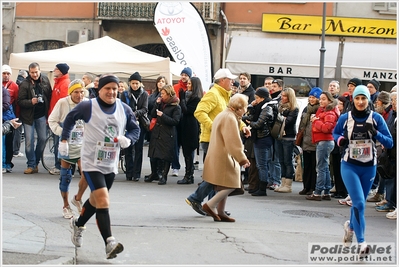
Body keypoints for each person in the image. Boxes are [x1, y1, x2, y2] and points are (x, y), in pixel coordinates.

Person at [61, 74, 140, 259]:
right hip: (90, 162)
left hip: (110, 163)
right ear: (100, 90)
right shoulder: (88, 106)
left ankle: (78, 224)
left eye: (114, 88)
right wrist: (64, 139)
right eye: (107, 88)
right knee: (103, 199)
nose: (111, 92)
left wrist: (128, 139)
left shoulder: (124, 108)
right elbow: (70, 119)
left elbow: (136, 129)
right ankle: (109, 242)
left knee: (96, 201)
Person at [333, 85, 393, 259]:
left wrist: (376, 134)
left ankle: (350, 227)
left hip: (369, 167)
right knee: (359, 203)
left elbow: (389, 143)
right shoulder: (345, 118)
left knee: (359, 205)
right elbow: (335, 133)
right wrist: (341, 140)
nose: (360, 102)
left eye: (363, 98)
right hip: (349, 165)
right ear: (353, 100)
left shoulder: (377, 119)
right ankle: (362, 243)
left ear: (368, 100)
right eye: (357, 98)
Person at [185, 68, 250, 216]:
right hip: (211, 139)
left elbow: (233, 115)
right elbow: (199, 112)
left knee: (217, 174)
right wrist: (214, 128)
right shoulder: (214, 94)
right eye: (230, 79)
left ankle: (210, 204)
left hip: (219, 139)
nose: (233, 82)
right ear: (222, 81)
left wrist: (243, 127)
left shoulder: (226, 95)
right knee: (216, 174)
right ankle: (201, 200)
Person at [202, 93, 250, 222]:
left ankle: (221, 211)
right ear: (239, 108)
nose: (246, 110)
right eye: (245, 107)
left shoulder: (224, 114)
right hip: (224, 155)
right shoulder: (230, 118)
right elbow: (233, 141)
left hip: (219, 153)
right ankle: (211, 204)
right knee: (232, 183)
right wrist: (242, 158)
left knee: (225, 184)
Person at [48, 79, 89, 218]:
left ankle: (77, 198)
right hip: (67, 144)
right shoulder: (63, 103)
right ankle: (66, 206)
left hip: (83, 145)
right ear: (71, 92)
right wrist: (62, 132)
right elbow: (51, 120)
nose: (79, 95)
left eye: (81, 92)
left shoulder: (87, 103)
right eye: (76, 92)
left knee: (87, 174)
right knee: (65, 177)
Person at [17, 62, 52, 174]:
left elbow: (50, 96)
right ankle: (31, 164)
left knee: (42, 139)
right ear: (29, 72)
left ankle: (36, 162)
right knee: (29, 142)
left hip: (41, 115)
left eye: (36, 72)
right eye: (32, 72)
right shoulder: (25, 84)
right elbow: (19, 101)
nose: (34, 74)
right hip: (28, 117)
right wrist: (31, 102)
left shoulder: (45, 80)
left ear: (40, 71)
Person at [306, 91, 339, 201]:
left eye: (323, 99)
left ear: (329, 100)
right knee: (324, 167)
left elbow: (326, 128)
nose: (320, 101)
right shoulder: (326, 111)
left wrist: (316, 121)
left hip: (325, 141)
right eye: (320, 99)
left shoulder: (330, 112)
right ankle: (326, 191)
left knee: (321, 167)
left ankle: (318, 192)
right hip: (325, 141)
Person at [146, 84, 181, 185]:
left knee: (165, 156)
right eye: (161, 93)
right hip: (157, 131)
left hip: (167, 133)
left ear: (169, 94)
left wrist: (163, 116)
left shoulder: (175, 106)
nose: (161, 96)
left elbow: (175, 121)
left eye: (163, 94)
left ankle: (164, 176)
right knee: (153, 154)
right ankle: (154, 173)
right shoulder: (161, 103)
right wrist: (156, 104)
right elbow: (152, 115)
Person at [245, 87, 274, 196]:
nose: (255, 100)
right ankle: (259, 187)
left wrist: (249, 122)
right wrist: (251, 106)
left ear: (262, 97)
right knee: (260, 164)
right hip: (260, 137)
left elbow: (258, 123)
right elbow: (252, 115)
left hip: (263, 138)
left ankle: (262, 189)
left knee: (261, 165)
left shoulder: (267, 107)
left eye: (257, 98)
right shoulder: (261, 106)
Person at [120, 72, 149, 181]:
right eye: (133, 83)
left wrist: (135, 113)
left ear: (140, 84)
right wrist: (130, 114)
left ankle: (137, 173)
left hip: (139, 123)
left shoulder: (144, 94)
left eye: (137, 83)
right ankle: (129, 172)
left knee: (138, 149)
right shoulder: (125, 94)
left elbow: (145, 108)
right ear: (130, 83)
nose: (135, 85)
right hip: (128, 124)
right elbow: (122, 107)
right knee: (128, 148)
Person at [177, 76, 204, 184]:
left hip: (191, 126)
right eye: (187, 84)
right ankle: (188, 174)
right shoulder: (188, 96)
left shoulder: (196, 98)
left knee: (188, 152)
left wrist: (182, 99)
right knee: (185, 152)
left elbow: (186, 110)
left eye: (189, 84)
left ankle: (189, 175)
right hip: (184, 125)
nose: (187, 86)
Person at [274, 87, 299, 193]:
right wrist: (281, 118)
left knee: (288, 161)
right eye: (282, 95)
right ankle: (283, 182)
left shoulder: (294, 108)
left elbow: (288, 122)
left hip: (288, 137)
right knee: (281, 160)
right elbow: (277, 119)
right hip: (279, 136)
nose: (282, 98)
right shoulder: (279, 106)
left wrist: (281, 118)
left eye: (285, 96)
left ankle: (288, 185)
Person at [298, 87, 321, 195]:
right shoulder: (306, 109)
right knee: (306, 166)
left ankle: (313, 186)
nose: (311, 99)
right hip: (305, 141)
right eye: (310, 97)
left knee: (313, 166)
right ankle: (306, 186)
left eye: (314, 97)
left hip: (315, 142)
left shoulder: (320, 109)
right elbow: (302, 125)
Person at [48, 63, 70, 175]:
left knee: (59, 143)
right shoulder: (58, 82)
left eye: (56, 69)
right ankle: (60, 165)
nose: (54, 70)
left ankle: (60, 165)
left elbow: (63, 103)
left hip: (60, 119)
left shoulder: (64, 84)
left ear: (61, 71)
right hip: (56, 117)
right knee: (58, 142)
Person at [144, 76, 167, 181]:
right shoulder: (153, 95)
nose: (160, 83)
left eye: (163, 81)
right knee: (152, 150)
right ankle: (154, 172)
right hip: (152, 123)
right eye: (159, 81)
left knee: (160, 150)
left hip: (162, 125)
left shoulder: (166, 96)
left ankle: (160, 172)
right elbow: (149, 109)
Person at [172, 67, 192, 177]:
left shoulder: (193, 89)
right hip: (177, 119)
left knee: (187, 146)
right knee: (175, 144)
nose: (183, 77)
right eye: (182, 74)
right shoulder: (176, 87)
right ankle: (175, 167)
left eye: (186, 75)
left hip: (187, 120)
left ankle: (189, 169)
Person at [268, 79, 283, 190]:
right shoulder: (271, 99)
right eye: (271, 86)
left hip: (277, 132)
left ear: (280, 88)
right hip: (271, 131)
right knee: (271, 157)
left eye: (274, 86)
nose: (272, 88)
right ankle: (271, 179)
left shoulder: (279, 101)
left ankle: (276, 180)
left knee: (276, 158)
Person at [2, 85, 16, 173]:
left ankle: (5, 164)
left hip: (6, 121)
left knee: (5, 144)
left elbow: (6, 105)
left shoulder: (4, 91)